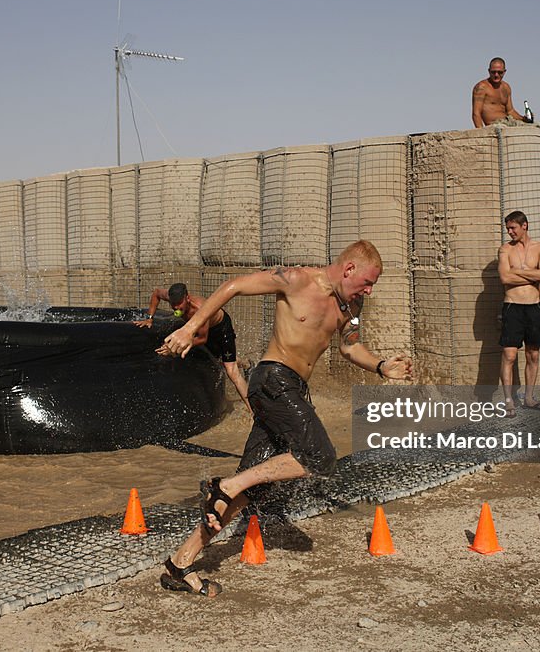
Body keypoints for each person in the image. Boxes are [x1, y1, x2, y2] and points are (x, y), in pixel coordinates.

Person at [154, 241, 412, 596]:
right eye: (367, 282)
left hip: (292, 390)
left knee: (251, 486)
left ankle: (179, 564)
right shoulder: (295, 280)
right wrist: (189, 327)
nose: (369, 290)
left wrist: (382, 366)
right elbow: (234, 287)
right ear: (349, 269)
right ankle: (225, 486)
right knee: (320, 458)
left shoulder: (352, 304)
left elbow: (350, 346)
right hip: (273, 379)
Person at [134, 282, 251, 413]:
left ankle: (254, 412)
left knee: (231, 371)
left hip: (221, 329)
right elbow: (156, 293)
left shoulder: (199, 308)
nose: (176, 307)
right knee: (220, 360)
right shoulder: (171, 297)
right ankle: (246, 364)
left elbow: (202, 339)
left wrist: (176, 348)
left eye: (179, 303)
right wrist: (149, 318)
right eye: (173, 304)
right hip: (202, 330)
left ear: (187, 298)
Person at [472, 57, 540, 182]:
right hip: (496, 124)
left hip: (508, 120)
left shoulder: (506, 87)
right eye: (493, 72)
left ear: (505, 72)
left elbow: (510, 111)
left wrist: (524, 119)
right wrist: (481, 135)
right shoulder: (481, 87)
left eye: (499, 72)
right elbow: (476, 113)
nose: (496, 75)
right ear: (488, 71)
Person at [497, 211, 540, 416]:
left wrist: (516, 272)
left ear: (525, 226)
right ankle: (509, 399)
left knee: (533, 354)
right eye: (508, 229)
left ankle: (529, 397)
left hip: (533, 306)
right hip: (513, 306)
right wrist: (532, 275)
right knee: (509, 354)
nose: (510, 232)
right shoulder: (504, 250)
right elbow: (504, 278)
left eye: (513, 228)